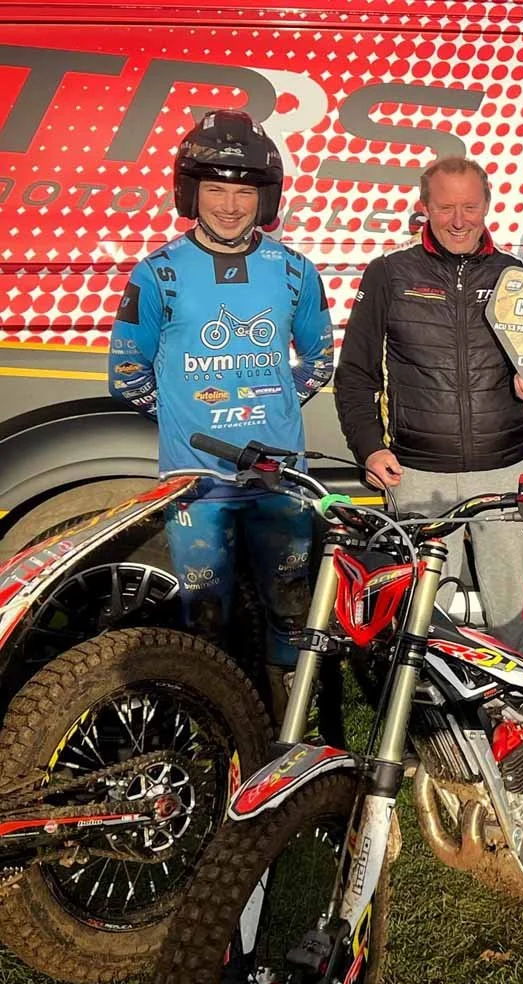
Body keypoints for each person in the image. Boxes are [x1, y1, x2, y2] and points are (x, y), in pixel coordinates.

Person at [108, 109, 334, 721]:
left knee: (291, 604)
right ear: (190, 192)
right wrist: (187, 418)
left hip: (278, 481)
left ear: (264, 197)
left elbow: (319, 360)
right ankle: (214, 728)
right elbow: (127, 374)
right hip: (196, 484)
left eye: (244, 191)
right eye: (216, 189)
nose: (231, 205)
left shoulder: (292, 271)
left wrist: (268, 404)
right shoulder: (156, 274)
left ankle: (292, 734)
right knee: (205, 616)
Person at [334, 156, 523, 660]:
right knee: (424, 619)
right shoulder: (388, 274)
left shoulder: (515, 276)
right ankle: (429, 725)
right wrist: (368, 448)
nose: (459, 219)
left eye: (470, 206)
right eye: (445, 207)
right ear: (424, 208)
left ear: (488, 206)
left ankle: (521, 725)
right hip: (419, 476)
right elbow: (355, 376)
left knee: (511, 618)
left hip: (504, 472)